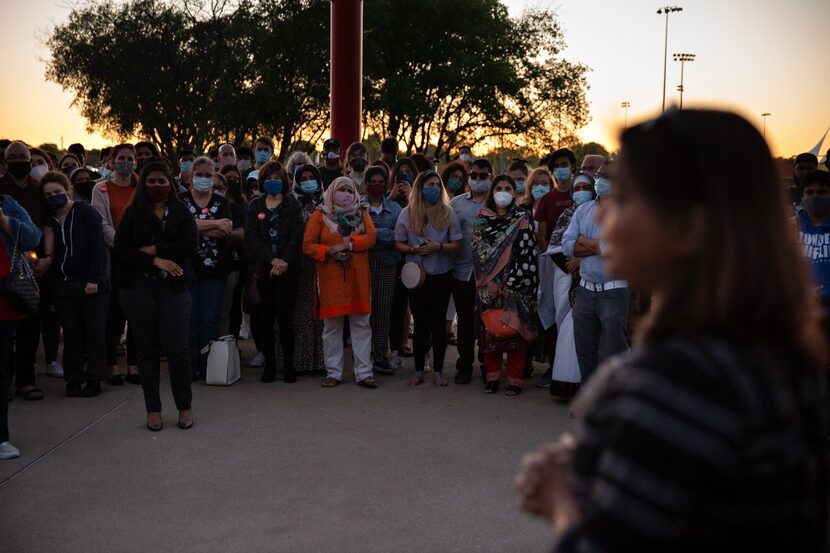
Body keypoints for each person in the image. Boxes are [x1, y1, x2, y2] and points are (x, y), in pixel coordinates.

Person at [517, 108, 829, 553]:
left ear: (688, 227)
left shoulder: (675, 382)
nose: (605, 218)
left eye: (624, 199)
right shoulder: (785, 354)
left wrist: (560, 498)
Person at [115, 160, 197, 431]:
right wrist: (153, 261)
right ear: (143, 184)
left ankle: (184, 407)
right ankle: (153, 409)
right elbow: (121, 251)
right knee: (147, 350)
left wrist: (157, 249)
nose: (158, 186)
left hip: (174, 289)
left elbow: (190, 245)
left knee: (178, 350)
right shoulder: (133, 213)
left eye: (162, 181)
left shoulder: (180, 211)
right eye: (152, 181)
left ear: (170, 185)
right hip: (140, 289)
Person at [302, 177, 378, 388]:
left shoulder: (362, 213)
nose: (345, 194)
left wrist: (350, 244)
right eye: (340, 189)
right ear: (331, 191)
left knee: (361, 326)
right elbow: (308, 245)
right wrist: (329, 250)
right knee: (332, 328)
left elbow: (372, 237)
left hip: (357, 281)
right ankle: (333, 372)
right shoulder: (320, 215)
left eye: (348, 189)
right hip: (331, 281)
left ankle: (364, 373)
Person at [41, 172, 109, 397]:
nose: (54, 196)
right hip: (62, 286)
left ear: (67, 190)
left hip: (89, 283)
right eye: (49, 194)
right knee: (71, 334)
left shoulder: (85, 212)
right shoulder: (49, 221)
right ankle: (73, 379)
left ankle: (94, 379)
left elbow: (98, 247)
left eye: (58, 192)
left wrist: (93, 279)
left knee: (94, 333)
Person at [394, 170, 462, 386]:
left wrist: (439, 246)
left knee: (439, 322)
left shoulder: (448, 213)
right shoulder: (407, 213)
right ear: (420, 187)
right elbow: (398, 243)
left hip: (441, 274)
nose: (433, 188)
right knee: (420, 323)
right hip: (416, 276)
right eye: (429, 184)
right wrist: (413, 249)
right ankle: (418, 370)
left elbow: (457, 245)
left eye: (436, 184)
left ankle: (439, 371)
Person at [472, 175, 538, 395]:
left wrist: (510, 283)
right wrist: (490, 282)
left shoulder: (523, 218)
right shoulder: (482, 218)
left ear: (514, 192)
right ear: (492, 191)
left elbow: (528, 253)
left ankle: (514, 379)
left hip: (516, 284)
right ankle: (491, 378)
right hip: (487, 285)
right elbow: (478, 251)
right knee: (490, 332)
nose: (503, 191)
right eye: (498, 187)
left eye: (507, 188)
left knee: (514, 335)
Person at [562, 168, 629, 384]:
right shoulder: (582, 211)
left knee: (613, 352)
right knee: (585, 352)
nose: (601, 181)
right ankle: (590, 399)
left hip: (614, 291)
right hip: (585, 291)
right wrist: (599, 246)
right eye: (599, 176)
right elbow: (566, 245)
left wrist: (584, 240)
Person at [179, 156, 241, 380]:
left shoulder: (221, 202)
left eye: (208, 174)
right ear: (190, 175)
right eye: (199, 174)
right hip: (186, 270)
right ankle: (190, 366)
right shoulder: (180, 200)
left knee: (210, 319)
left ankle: (207, 365)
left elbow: (225, 230)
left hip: (216, 271)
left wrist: (194, 227)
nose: (203, 178)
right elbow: (180, 227)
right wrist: (213, 224)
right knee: (189, 319)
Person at [0, 141, 53, 401]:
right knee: (5, 332)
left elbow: (43, 227)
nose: (19, 161)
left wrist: (47, 258)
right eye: (13, 157)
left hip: (34, 266)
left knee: (30, 327)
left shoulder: (38, 190)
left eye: (23, 156)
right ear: (5, 163)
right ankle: (5, 384)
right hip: (6, 267)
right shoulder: (2, 192)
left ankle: (26, 381)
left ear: (30, 160)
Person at [245, 161, 304, 383]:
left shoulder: (292, 205)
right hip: (264, 270)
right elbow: (251, 237)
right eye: (269, 178)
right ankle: (270, 365)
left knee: (286, 318)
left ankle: (288, 365)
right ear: (262, 181)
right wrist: (271, 260)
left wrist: (284, 261)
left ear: (284, 181)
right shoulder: (255, 205)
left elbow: (296, 236)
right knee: (265, 318)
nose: (273, 182)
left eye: (277, 178)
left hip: (288, 270)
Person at [545, 174, 596, 400]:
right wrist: (572, 266)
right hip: (570, 280)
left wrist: (581, 258)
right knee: (569, 331)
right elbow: (559, 246)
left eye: (587, 187)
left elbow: (608, 246)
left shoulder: (603, 213)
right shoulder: (568, 214)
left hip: (599, 280)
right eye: (578, 188)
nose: (582, 191)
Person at [92, 143, 139, 385]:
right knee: (112, 315)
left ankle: (133, 366)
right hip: (113, 260)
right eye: (121, 158)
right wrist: (122, 247)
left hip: (138, 260)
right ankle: (111, 366)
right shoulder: (100, 189)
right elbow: (100, 223)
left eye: (130, 158)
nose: (126, 162)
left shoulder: (141, 187)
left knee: (137, 315)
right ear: (112, 161)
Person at [0, 194, 42, 459]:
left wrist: (5, 222)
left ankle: (0, 437)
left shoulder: (7, 204)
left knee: (0, 370)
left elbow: (33, 238)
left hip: (4, 300)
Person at [448, 158, 491, 383]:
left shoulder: (498, 202)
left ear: (490, 177)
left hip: (490, 273)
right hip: (462, 270)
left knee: (487, 320)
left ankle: (487, 363)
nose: (477, 179)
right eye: (473, 175)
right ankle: (464, 364)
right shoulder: (456, 203)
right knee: (464, 321)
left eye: (483, 176)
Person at [365, 165, 401, 374]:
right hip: (364, 264)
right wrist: (381, 234)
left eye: (381, 182)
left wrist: (371, 234)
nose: (377, 185)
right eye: (373, 182)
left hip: (388, 264)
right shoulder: (359, 206)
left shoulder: (395, 208)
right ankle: (364, 353)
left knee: (383, 310)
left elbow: (398, 235)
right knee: (364, 311)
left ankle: (380, 354)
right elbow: (356, 232)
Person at [291, 164, 325, 374]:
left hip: (323, 263)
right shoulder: (292, 204)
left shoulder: (327, 203)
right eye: (303, 178)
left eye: (311, 177)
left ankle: (321, 361)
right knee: (301, 312)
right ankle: (302, 361)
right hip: (300, 265)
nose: (308, 181)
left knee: (321, 313)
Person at [796, 170, 830, 330]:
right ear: (802, 197)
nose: (814, 196)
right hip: (800, 318)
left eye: (822, 192)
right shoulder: (789, 227)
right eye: (809, 192)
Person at [536, 148, 576, 252]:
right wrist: (551, 258)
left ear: (573, 167)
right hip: (553, 258)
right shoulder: (545, 199)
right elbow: (542, 238)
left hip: (578, 257)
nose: (560, 168)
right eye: (556, 166)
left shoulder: (581, 195)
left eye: (564, 165)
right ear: (552, 171)